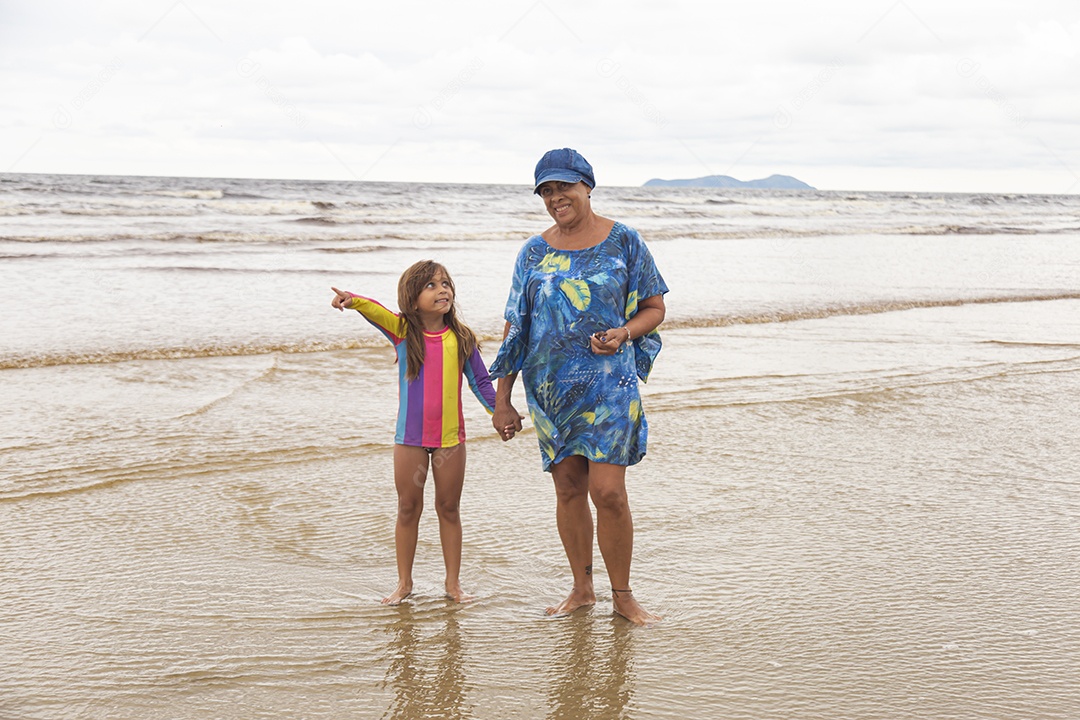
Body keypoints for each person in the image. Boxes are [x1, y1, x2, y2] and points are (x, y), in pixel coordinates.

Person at [489, 148, 669, 625]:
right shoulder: (532, 251)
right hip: (549, 387)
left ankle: (623, 595)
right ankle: (582, 589)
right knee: (568, 488)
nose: (555, 198)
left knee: (608, 492)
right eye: (546, 190)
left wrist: (625, 333)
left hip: (610, 383)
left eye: (563, 187)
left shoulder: (624, 241)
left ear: (587, 186)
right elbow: (516, 326)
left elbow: (654, 308)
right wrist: (502, 399)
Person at [331, 260, 496, 605]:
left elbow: (480, 382)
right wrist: (353, 299)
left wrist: (499, 413)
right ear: (412, 296)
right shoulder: (403, 331)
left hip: (451, 440)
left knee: (449, 508)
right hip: (409, 439)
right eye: (432, 286)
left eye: (446, 284)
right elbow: (376, 312)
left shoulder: (462, 337)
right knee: (408, 507)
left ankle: (453, 585)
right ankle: (404, 584)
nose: (443, 290)